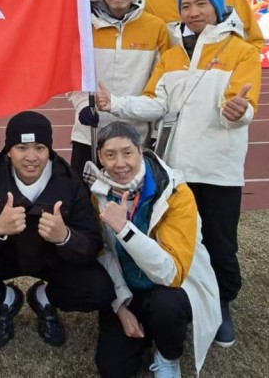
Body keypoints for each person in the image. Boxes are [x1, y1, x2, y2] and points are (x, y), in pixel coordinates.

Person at [96, 0, 260, 348]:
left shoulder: (243, 52)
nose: (193, 12)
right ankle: (172, 303)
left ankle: (221, 303)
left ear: (218, 7)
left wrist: (238, 111)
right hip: (174, 170)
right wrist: (116, 103)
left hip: (218, 169)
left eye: (201, 4)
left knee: (219, 243)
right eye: (186, 6)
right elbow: (156, 102)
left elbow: (243, 105)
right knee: (171, 238)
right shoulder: (172, 55)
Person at [0, 111, 113, 349]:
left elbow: (92, 243)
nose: (31, 157)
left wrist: (65, 237)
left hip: (52, 258)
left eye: (39, 148)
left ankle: (44, 298)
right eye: (21, 148)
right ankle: (8, 299)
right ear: (8, 151)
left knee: (98, 289)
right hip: (5, 255)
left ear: (50, 151)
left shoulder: (69, 182)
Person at [90, 121, 221, 378]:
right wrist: (120, 306)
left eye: (127, 152)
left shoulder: (177, 194)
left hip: (170, 289)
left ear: (141, 150)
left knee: (166, 305)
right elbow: (104, 253)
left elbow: (170, 274)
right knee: (113, 370)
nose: (120, 163)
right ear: (99, 158)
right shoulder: (99, 194)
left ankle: (167, 356)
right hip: (129, 291)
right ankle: (142, 327)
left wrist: (125, 230)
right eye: (110, 155)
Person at [68, 0, 169, 171]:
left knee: (128, 204)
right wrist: (83, 104)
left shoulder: (155, 27)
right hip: (89, 134)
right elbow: (73, 76)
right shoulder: (83, 25)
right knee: (83, 203)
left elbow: (160, 87)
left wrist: (123, 107)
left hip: (133, 138)